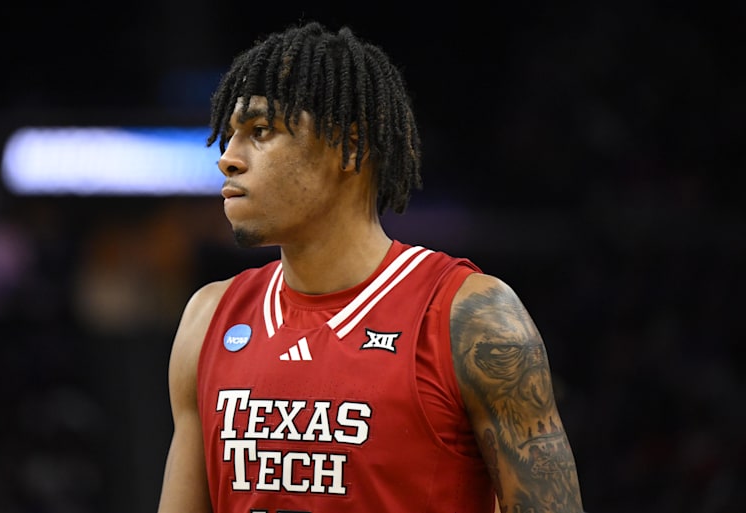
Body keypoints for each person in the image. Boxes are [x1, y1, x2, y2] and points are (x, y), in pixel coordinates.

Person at [157, 20, 584, 513]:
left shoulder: (470, 317)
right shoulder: (207, 318)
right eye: (230, 137)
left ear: (351, 146)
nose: (227, 159)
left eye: (259, 131)